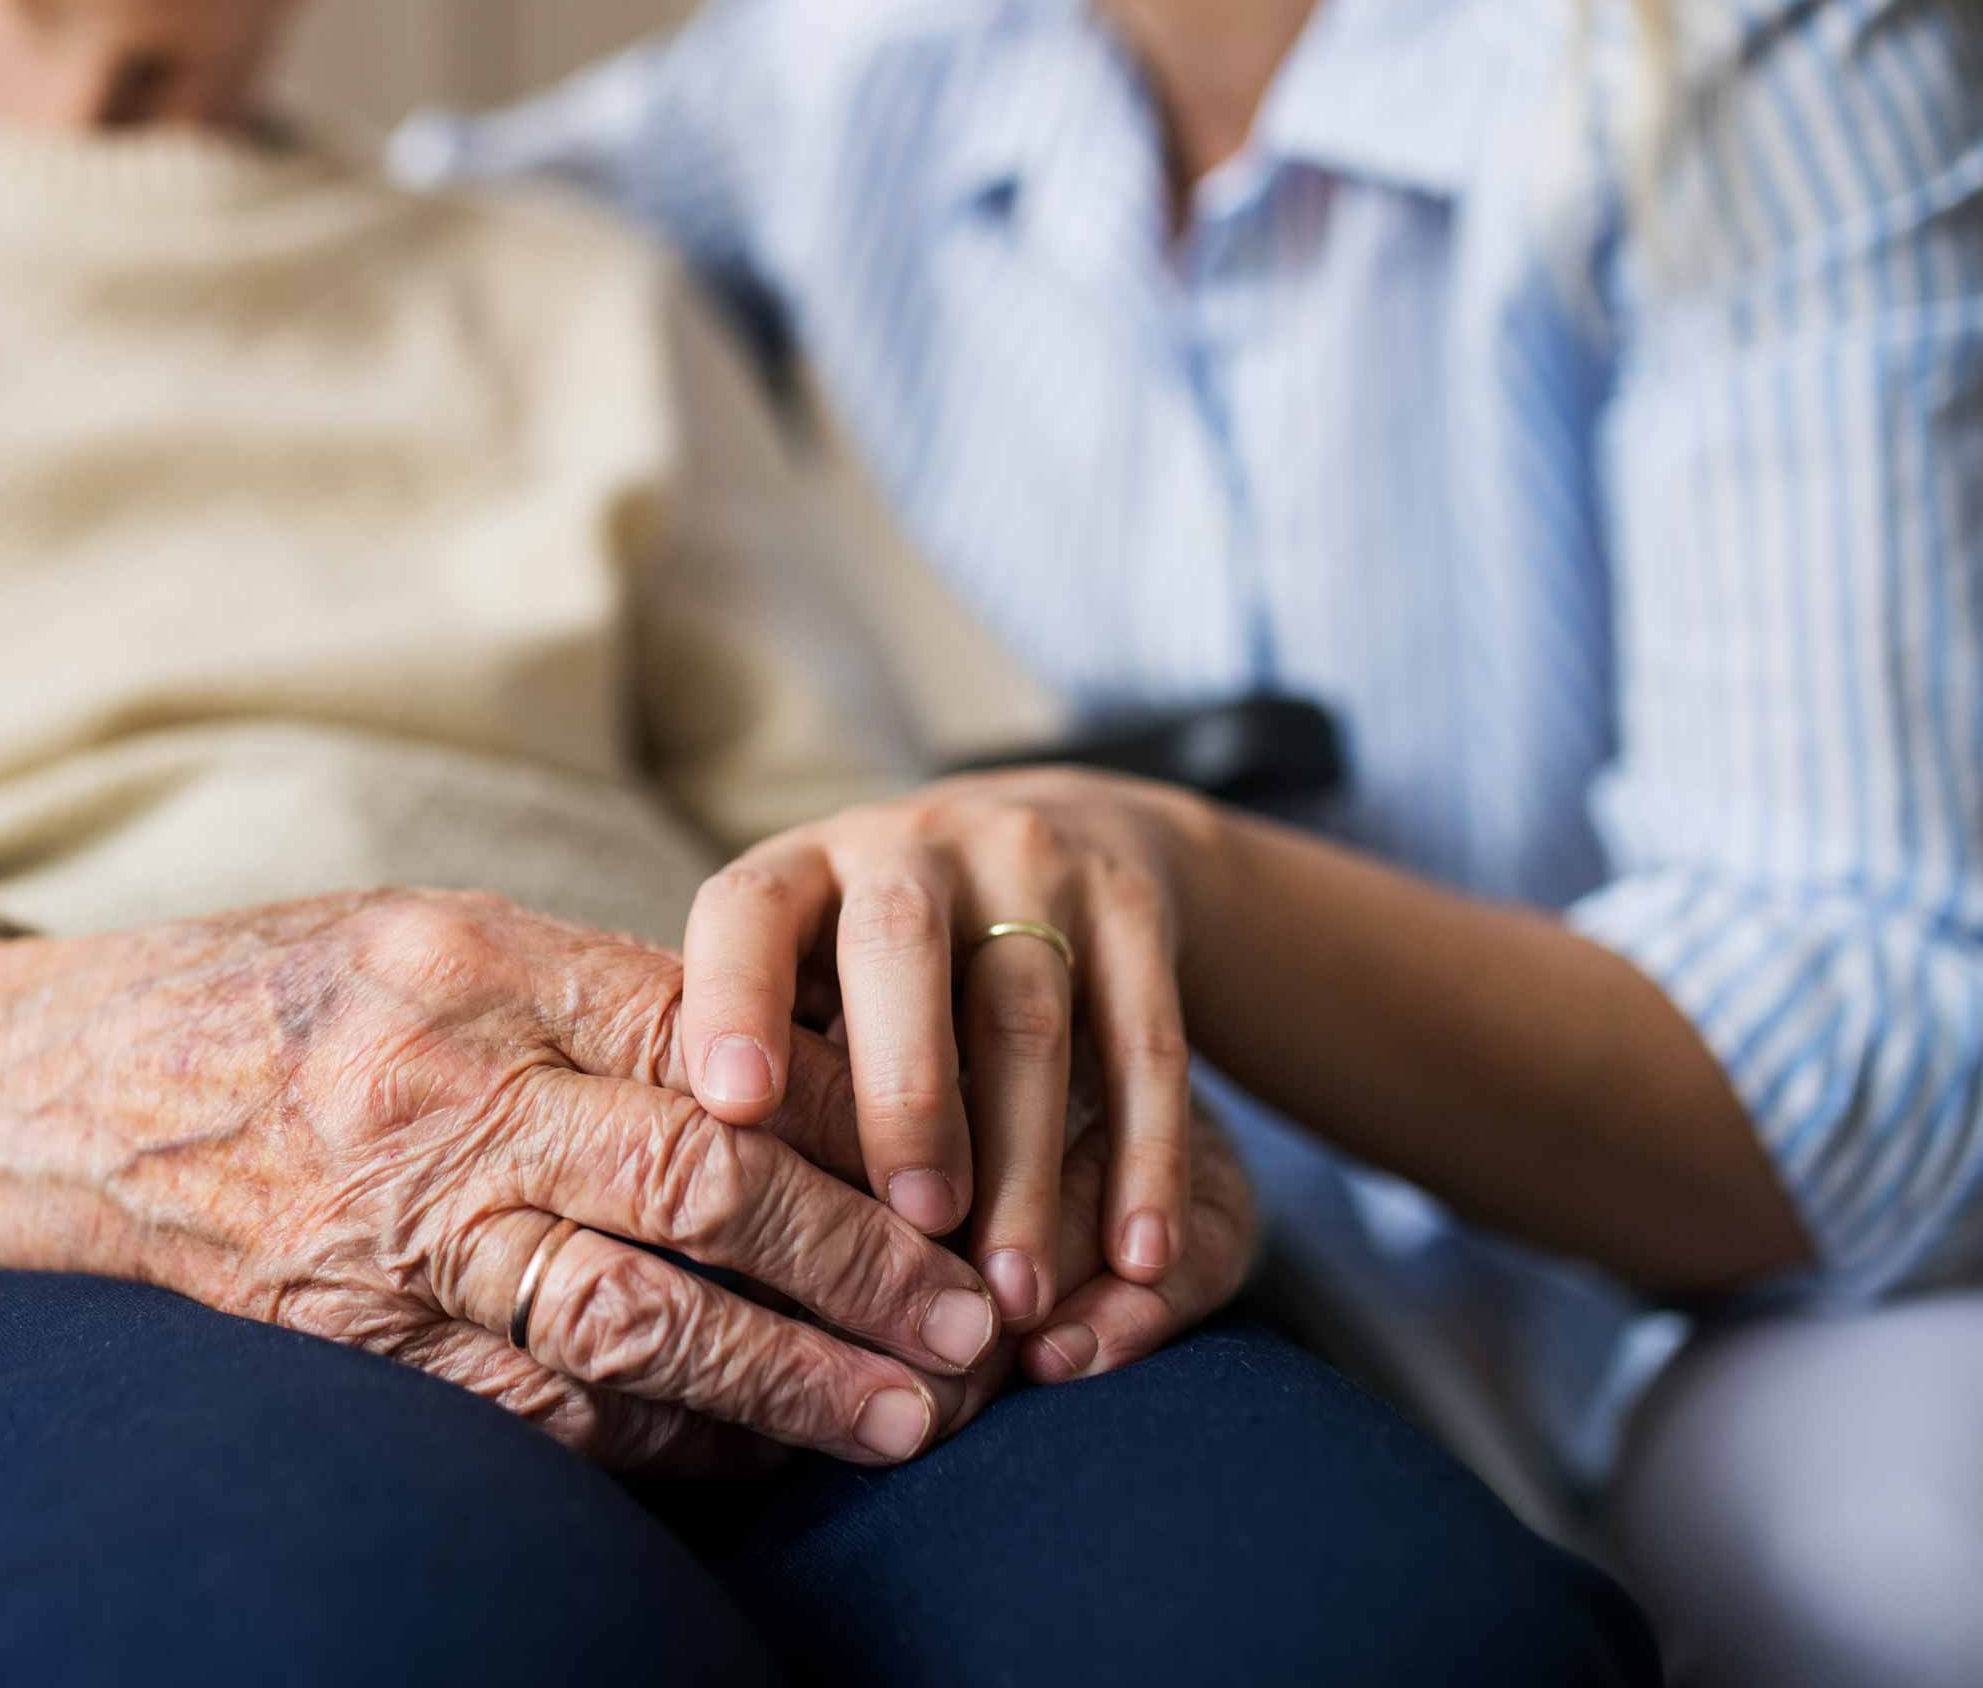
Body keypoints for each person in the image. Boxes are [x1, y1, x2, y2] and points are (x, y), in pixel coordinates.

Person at [0, 0, 1655, 1683]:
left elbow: (832, 834)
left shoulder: (578, 289)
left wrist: (1023, 1069)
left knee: (1381, 1634)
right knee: (370, 1641)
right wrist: (76, 1083)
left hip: (706, 1175)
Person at [381, 1, 1983, 1682]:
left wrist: (1172, 875)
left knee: (1883, 1573)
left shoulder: (1757, 58)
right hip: (1256, 1238)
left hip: (1777, 1286)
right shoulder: (858, 60)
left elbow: (1889, 1035)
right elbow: (368, 229)